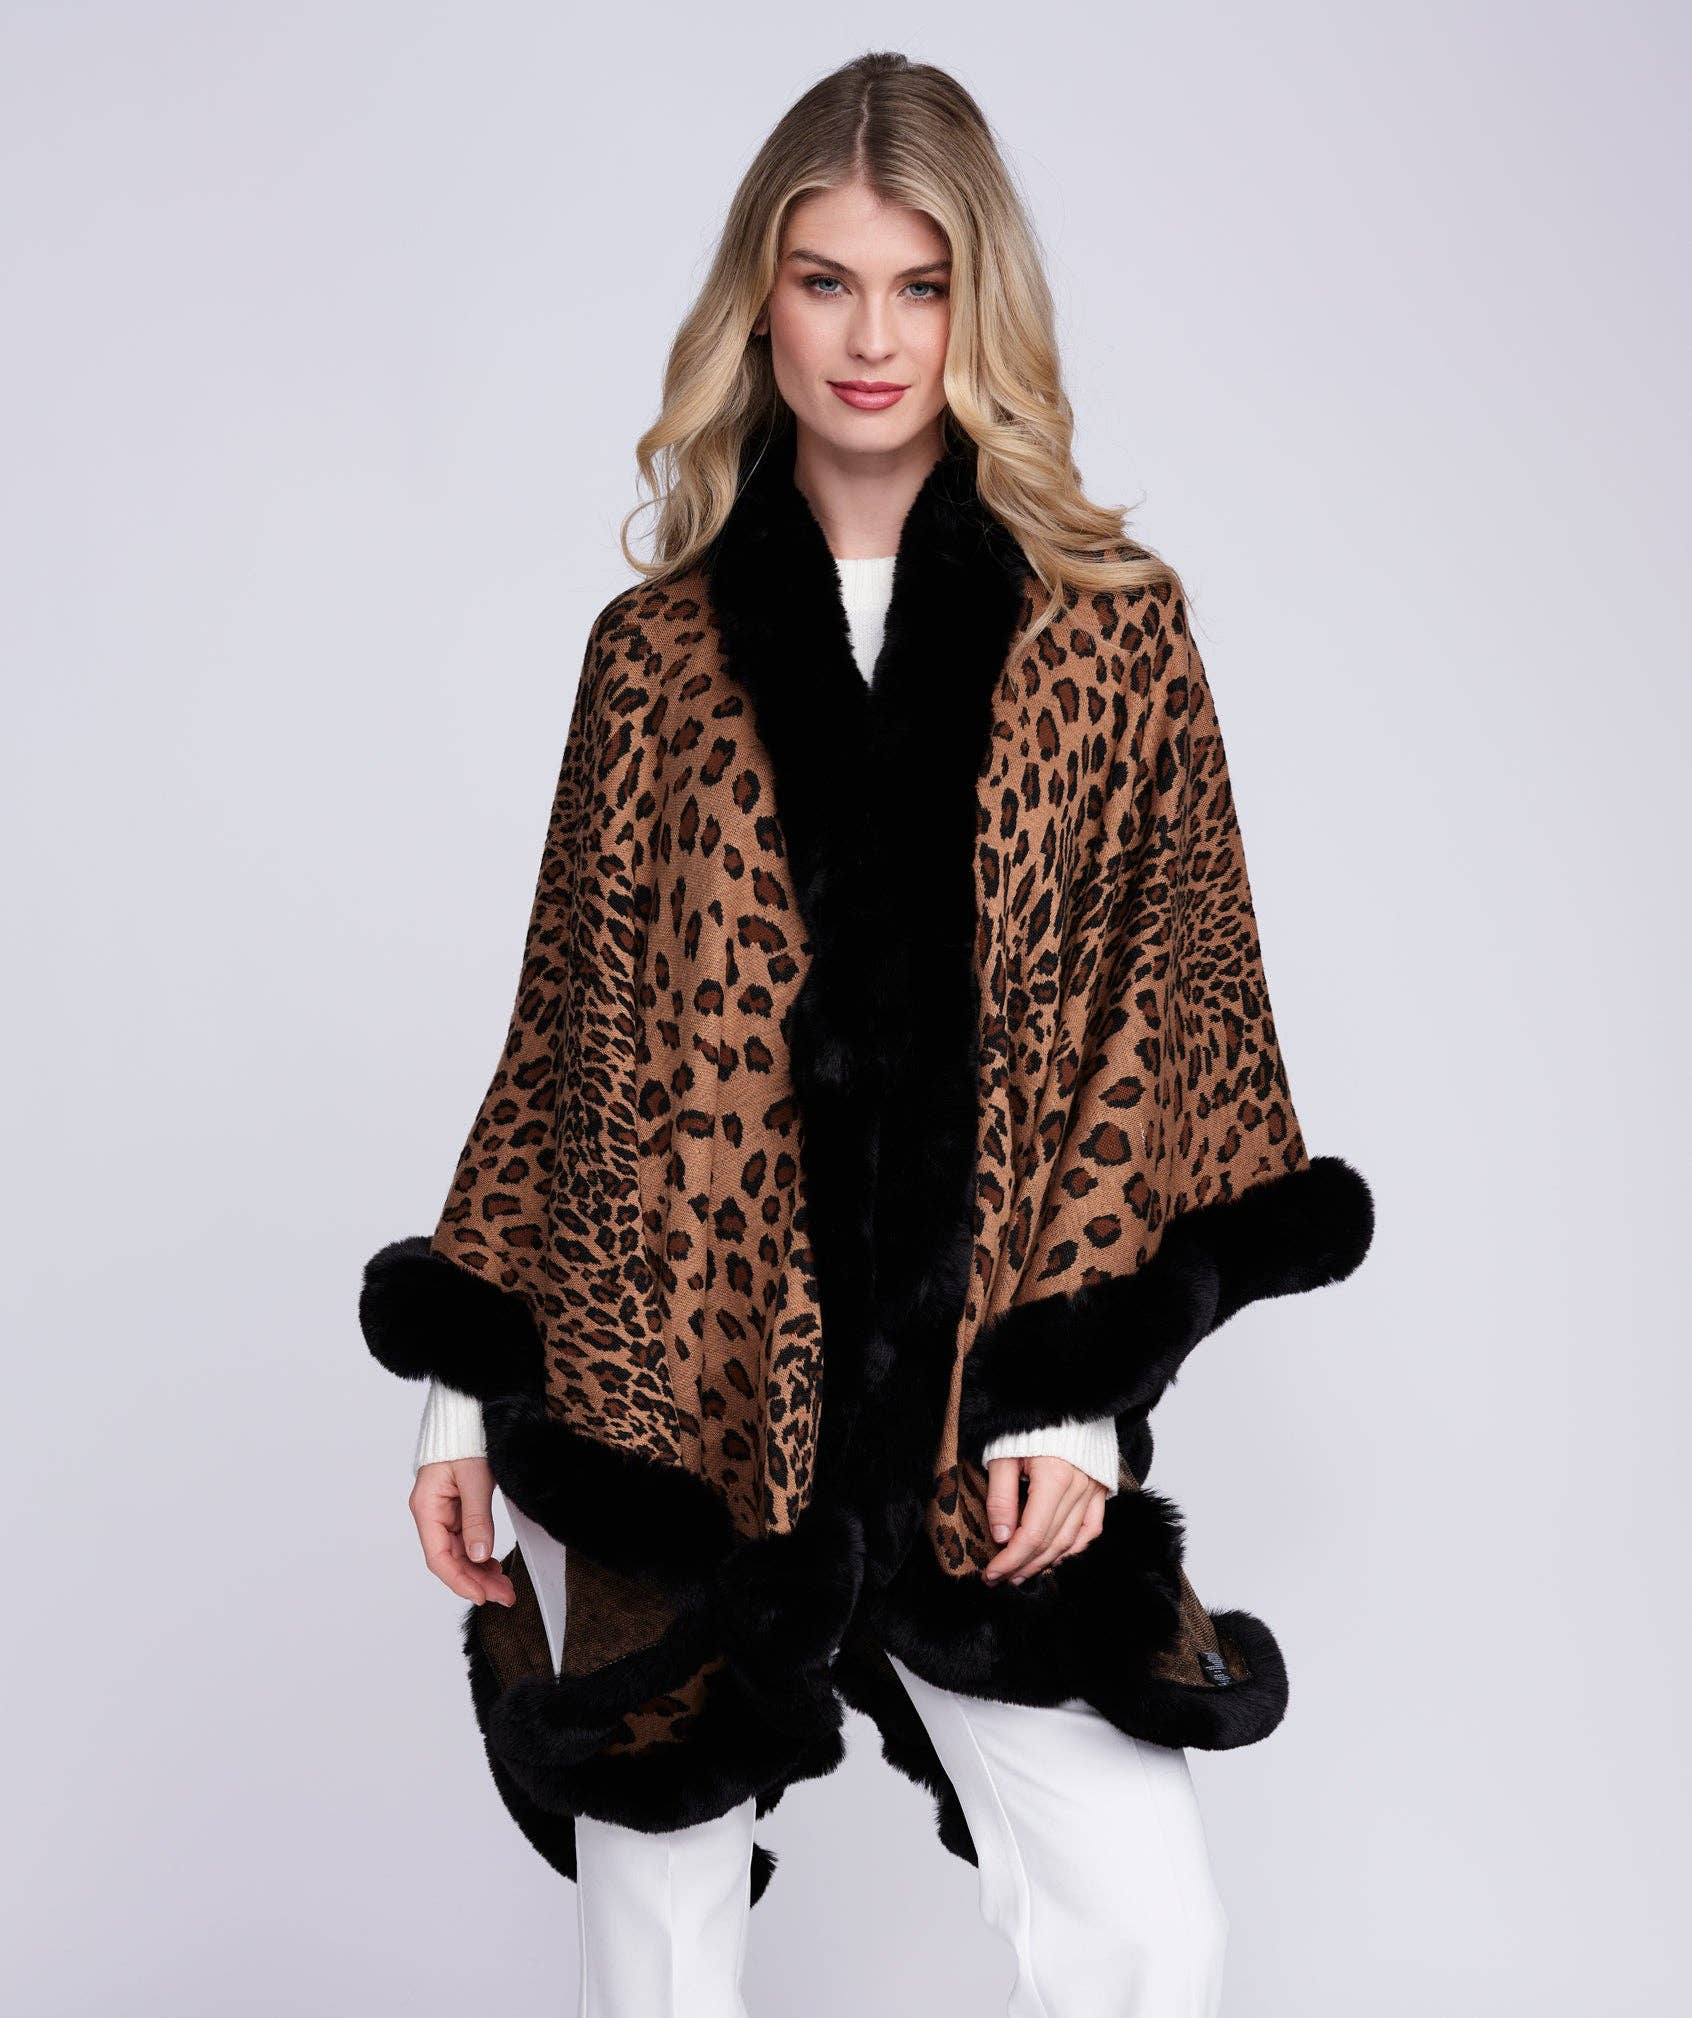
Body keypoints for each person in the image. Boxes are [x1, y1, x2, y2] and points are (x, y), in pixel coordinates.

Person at [357, 48, 1374, 2018]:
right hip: (681, 1376)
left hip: (977, 1391)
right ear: (763, 299)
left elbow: (1161, 1011)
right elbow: (574, 1031)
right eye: (827, 281)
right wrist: (464, 1391)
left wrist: (1072, 1392)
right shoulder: (653, 656)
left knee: (1148, 1930)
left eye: (920, 285)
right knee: (659, 1939)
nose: (875, 337)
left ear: (981, 304)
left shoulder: (1110, 634)